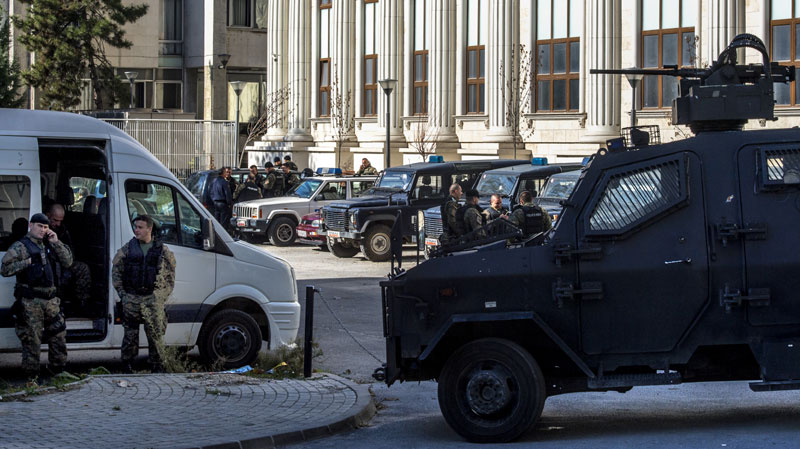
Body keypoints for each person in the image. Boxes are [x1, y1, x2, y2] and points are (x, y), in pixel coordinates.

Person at [1, 213, 72, 380]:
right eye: (40, 226)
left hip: (51, 300)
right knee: (32, 340)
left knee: (58, 335)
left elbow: (68, 262)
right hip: (31, 301)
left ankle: (58, 372)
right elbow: (4, 269)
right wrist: (26, 263)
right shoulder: (21, 246)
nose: (43, 230)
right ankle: (31, 377)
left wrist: (56, 242)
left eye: (46, 227)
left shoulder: (51, 244)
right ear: (31, 226)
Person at [111, 215, 176, 373]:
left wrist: (160, 297)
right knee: (130, 335)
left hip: (152, 299)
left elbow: (169, 277)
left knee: (155, 335)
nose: (136, 230)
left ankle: (157, 365)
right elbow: (116, 272)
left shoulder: (162, 250)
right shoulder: (128, 249)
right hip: (131, 298)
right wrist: (123, 294)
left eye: (140, 227)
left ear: (149, 229)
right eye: (135, 227)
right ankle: (127, 364)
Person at [45, 203, 92, 309]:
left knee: (83, 268)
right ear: (48, 215)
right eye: (55, 220)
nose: (58, 224)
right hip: (47, 263)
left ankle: (80, 304)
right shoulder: (41, 230)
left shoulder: (62, 230)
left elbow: (70, 252)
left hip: (62, 262)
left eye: (60, 221)